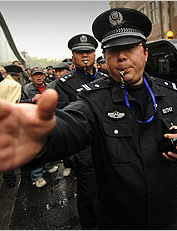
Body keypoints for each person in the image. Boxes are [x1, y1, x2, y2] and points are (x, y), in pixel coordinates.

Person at [0, 8, 177, 229]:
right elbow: (69, 125)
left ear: (145, 52)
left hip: (172, 219)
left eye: (129, 48)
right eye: (113, 51)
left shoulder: (168, 92)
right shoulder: (93, 99)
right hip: (118, 222)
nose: (122, 57)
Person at [54, 33, 109, 229]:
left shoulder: (106, 77)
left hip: (110, 144)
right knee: (89, 196)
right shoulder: (65, 83)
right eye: (79, 52)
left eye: (89, 52)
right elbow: (64, 118)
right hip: (86, 149)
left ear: (95, 54)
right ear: (72, 55)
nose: (85, 55)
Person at [20, 67, 58, 188]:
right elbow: (19, 103)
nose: (38, 77)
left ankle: (48, 166)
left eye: (40, 74)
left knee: (49, 144)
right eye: (36, 75)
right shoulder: (26, 88)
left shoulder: (49, 86)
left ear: (45, 76)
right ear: (31, 77)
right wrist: (32, 99)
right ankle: (37, 176)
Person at [0, 64, 24, 188]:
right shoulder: (15, 85)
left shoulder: (0, 84)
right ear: (19, 75)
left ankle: (9, 179)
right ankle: (11, 180)